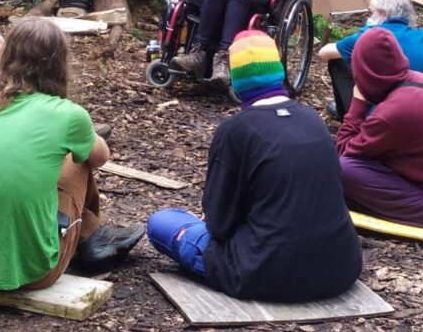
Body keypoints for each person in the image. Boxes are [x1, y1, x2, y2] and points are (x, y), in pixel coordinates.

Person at [148, 30, 362, 302]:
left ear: (237, 83)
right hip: (340, 268)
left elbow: (218, 224)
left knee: (161, 222)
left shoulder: (235, 130)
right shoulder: (313, 120)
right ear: (279, 72)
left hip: (260, 272)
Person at [0, 17, 145, 290]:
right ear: (59, 64)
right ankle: (93, 237)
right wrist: (85, 133)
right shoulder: (66, 115)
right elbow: (101, 157)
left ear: (6, 58)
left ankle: (91, 234)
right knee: (77, 161)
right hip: (36, 271)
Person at [336, 28, 423, 229]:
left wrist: (358, 103)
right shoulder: (418, 80)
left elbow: (343, 151)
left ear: (365, 71)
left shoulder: (395, 110)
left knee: (341, 170)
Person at [319, 0, 423, 118]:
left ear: (383, 13)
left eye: (372, 12)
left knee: (337, 60)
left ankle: (352, 115)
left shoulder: (370, 35)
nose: (371, 17)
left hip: (387, 115)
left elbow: (324, 53)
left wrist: (363, 32)